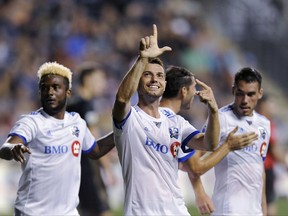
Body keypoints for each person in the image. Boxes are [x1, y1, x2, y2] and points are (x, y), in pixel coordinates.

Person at [112, 24, 256, 215]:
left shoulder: (177, 123)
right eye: (148, 75)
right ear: (138, 82)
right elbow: (122, 99)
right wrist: (142, 60)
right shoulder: (130, 119)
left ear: (165, 85)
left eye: (160, 76)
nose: (155, 79)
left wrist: (213, 111)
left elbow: (209, 144)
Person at [0, 62, 114, 216]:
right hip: (33, 213)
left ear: (68, 92)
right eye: (45, 88)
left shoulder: (77, 123)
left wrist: (120, 132)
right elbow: (6, 147)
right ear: (39, 92)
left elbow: (96, 150)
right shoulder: (31, 122)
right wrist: (13, 149)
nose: (50, 92)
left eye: (55, 87)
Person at [160, 65, 259, 215]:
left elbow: (205, 148)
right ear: (184, 91)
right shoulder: (172, 124)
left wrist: (213, 110)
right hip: (161, 206)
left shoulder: (166, 119)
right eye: (194, 88)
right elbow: (197, 167)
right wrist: (228, 146)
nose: (196, 93)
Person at [207, 67, 271, 215]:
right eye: (240, 93)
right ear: (233, 90)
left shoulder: (264, 124)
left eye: (251, 94)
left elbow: (259, 169)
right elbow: (196, 159)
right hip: (227, 209)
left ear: (260, 93)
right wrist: (200, 193)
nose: (245, 100)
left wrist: (263, 210)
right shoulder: (220, 118)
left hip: (254, 211)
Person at [67, 63, 113, 216]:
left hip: (70, 167)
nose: (102, 84)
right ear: (87, 80)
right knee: (102, 210)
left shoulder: (68, 105)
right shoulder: (85, 106)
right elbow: (94, 140)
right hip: (87, 166)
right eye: (99, 79)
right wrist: (107, 169)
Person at [256, 94, 288, 216]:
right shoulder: (267, 123)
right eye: (270, 104)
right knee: (268, 204)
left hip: (253, 168)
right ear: (263, 105)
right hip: (265, 168)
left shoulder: (251, 122)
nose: (272, 108)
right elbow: (273, 149)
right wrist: (285, 163)